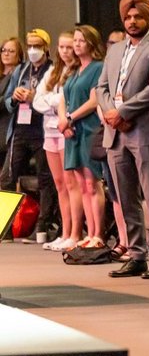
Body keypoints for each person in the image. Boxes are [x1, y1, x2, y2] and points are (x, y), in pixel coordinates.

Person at [98, 0, 149, 279]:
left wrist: (122, 112)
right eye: (128, 17)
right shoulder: (115, 49)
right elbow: (101, 87)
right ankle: (136, 254)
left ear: (148, 18)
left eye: (138, 17)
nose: (132, 21)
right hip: (115, 131)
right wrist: (111, 113)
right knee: (124, 195)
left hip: (142, 129)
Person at [2, 28, 57, 240]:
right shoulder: (21, 70)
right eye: (30, 45)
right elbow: (8, 102)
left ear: (46, 47)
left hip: (42, 130)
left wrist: (35, 98)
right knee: (7, 178)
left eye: (37, 45)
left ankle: (42, 226)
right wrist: (15, 98)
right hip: (20, 130)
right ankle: (5, 228)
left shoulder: (53, 70)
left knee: (45, 179)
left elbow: (55, 100)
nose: (33, 49)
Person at [59, 26, 106, 249]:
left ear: (91, 43)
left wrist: (70, 117)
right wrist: (63, 121)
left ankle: (99, 233)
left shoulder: (98, 68)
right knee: (81, 184)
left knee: (92, 182)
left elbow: (94, 101)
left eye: (81, 40)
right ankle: (89, 232)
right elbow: (63, 97)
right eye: (75, 40)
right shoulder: (74, 69)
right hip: (72, 132)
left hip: (88, 129)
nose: (76, 44)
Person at [34, 33, 76, 252]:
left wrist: (54, 102)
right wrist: (55, 102)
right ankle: (64, 232)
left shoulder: (77, 71)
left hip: (66, 131)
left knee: (70, 184)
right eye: (61, 47)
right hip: (49, 131)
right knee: (59, 184)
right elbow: (37, 101)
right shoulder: (53, 71)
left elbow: (68, 101)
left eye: (69, 47)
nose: (65, 51)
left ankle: (74, 233)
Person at [0, 37, 23, 175]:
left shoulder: (20, 75)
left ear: (19, 55)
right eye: (3, 50)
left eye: (11, 51)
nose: (6, 53)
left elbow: (8, 100)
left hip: (7, 127)